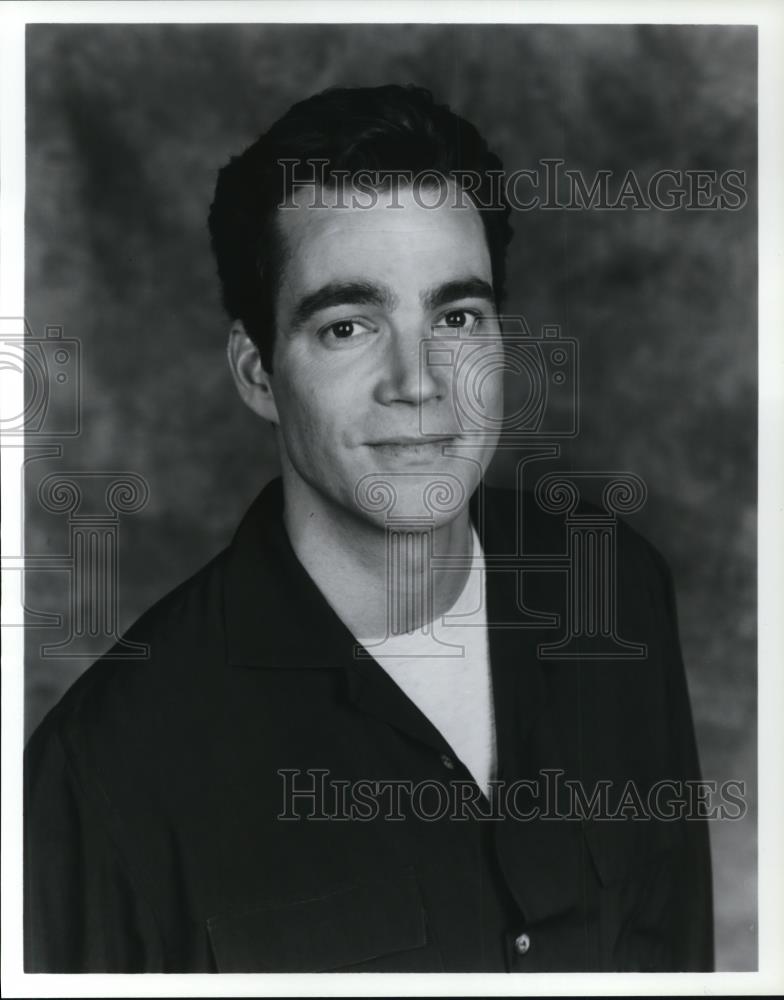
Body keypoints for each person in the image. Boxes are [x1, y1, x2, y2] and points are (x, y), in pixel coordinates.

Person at [24, 84, 713, 973]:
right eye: (348, 325)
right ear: (258, 374)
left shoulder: (614, 587)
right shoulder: (100, 779)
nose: (418, 381)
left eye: (456, 317)